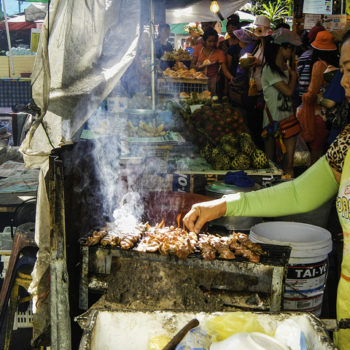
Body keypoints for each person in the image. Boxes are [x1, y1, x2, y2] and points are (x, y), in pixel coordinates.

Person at [183, 30, 350, 350]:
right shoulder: (347, 143)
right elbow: (300, 192)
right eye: (342, 69)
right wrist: (224, 204)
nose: (343, 81)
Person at [261, 28, 301, 177]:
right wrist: (294, 76)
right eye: (290, 48)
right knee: (271, 163)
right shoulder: (269, 69)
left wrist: (291, 73)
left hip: (288, 121)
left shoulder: (286, 69)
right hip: (272, 123)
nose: (291, 53)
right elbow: (288, 91)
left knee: (289, 165)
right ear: (281, 47)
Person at [299, 30, 339, 164]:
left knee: (315, 152)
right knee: (324, 151)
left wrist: (304, 98)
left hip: (318, 115)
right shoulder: (336, 66)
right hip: (332, 115)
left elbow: (312, 92)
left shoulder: (318, 65)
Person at [191, 27, 234, 95]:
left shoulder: (219, 53)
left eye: (214, 41)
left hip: (213, 83)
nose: (212, 44)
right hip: (198, 82)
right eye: (210, 41)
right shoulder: (198, 48)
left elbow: (225, 71)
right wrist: (197, 67)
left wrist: (231, 78)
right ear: (204, 41)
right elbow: (192, 65)